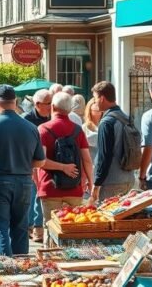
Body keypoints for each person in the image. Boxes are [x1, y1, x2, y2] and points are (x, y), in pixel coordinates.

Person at [0, 85, 46, 257]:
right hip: (23, 182)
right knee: (20, 228)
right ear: (15, 102)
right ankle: (21, 266)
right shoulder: (30, 127)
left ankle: (6, 267)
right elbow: (40, 161)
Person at [36, 93, 94, 240]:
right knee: (73, 230)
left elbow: (40, 161)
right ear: (69, 109)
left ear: (53, 107)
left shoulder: (43, 129)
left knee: (50, 229)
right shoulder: (78, 130)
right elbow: (87, 160)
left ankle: (49, 254)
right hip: (74, 188)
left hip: (50, 188)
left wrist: (62, 167)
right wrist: (91, 182)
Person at [89, 81, 136, 202]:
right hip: (129, 178)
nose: (94, 102)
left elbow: (104, 156)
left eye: (95, 98)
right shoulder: (127, 118)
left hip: (112, 182)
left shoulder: (107, 122)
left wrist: (97, 183)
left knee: (107, 213)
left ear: (102, 98)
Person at [21, 89, 51, 243]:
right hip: (30, 164)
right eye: (48, 103)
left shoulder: (51, 117)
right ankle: (29, 227)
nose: (51, 106)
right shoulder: (26, 119)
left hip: (47, 163)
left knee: (41, 197)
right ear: (37, 104)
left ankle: (37, 228)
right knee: (31, 197)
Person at [82, 99, 102, 163]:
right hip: (90, 161)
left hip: (101, 161)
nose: (99, 112)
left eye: (100, 110)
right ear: (90, 110)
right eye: (96, 110)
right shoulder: (85, 127)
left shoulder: (103, 124)